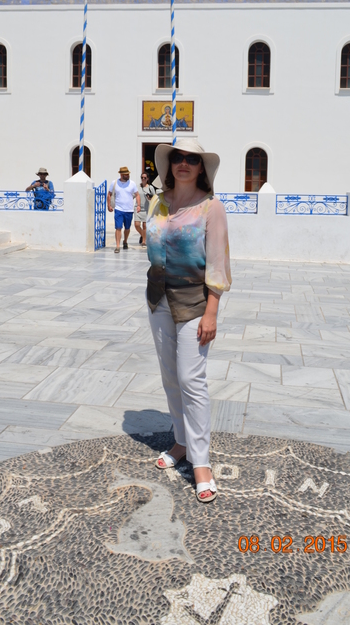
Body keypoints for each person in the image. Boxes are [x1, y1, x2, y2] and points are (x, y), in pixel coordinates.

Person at [146, 139, 232, 503]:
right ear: (169, 164)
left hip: (194, 302)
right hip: (158, 299)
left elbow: (218, 263)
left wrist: (212, 311)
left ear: (201, 168)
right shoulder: (157, 202)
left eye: (192, 159)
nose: (184, 163)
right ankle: (181, 442)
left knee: (191, 380)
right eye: (177, 157)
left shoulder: (211, 207)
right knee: (170, 377)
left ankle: (201, 462)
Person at [107, 166, 141, 254]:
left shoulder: (132, 184)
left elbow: (137, 194)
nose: (128, 175)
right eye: (126, 174)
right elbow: (109, 194)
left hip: (129, 210)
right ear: (121, 175)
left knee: (127, 228)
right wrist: (109, 205)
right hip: (118, 209)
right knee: (118, 227)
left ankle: (125, 241)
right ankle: (117, 246)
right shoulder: (114, 183)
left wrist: (138, 205)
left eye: (128, 174)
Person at [135, 172, 155, 247]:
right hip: (138, 207)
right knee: (137, 225)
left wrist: (150, 198)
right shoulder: (137, 187)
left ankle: (144, 241)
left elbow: (154, 197)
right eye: (142, 177)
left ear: (147, 179)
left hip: (147, 208)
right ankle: (143, 235)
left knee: (144, 226)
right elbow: (133, 195)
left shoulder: (150, 188)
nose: (143, 179)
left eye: (145, 178)